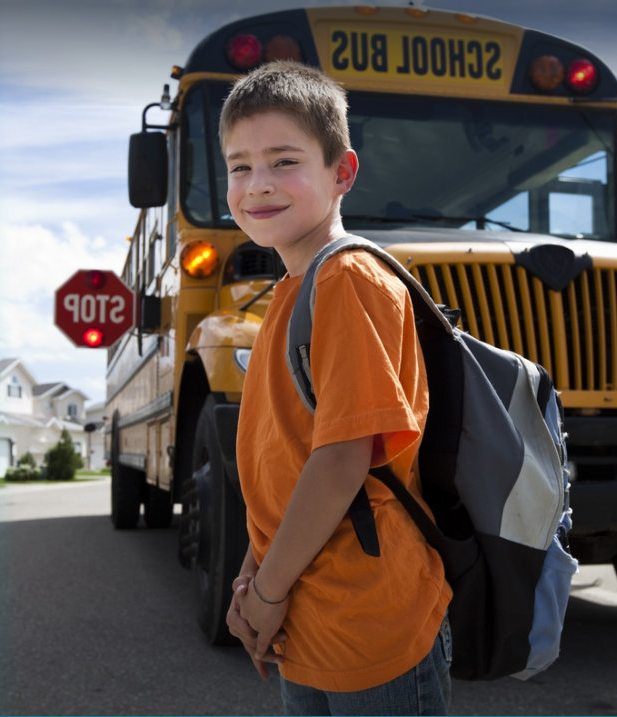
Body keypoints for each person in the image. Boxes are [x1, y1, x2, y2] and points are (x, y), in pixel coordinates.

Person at [218, 61, 451, 715]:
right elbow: (289, 459)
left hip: (368, 619)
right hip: (313, 614)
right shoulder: (291, 291)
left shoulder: (346, 280)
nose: (257, 185)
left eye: (283, 160)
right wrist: (253, 573)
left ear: (341, 173)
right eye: (239, 166)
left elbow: (344, 456)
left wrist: (266, 593)